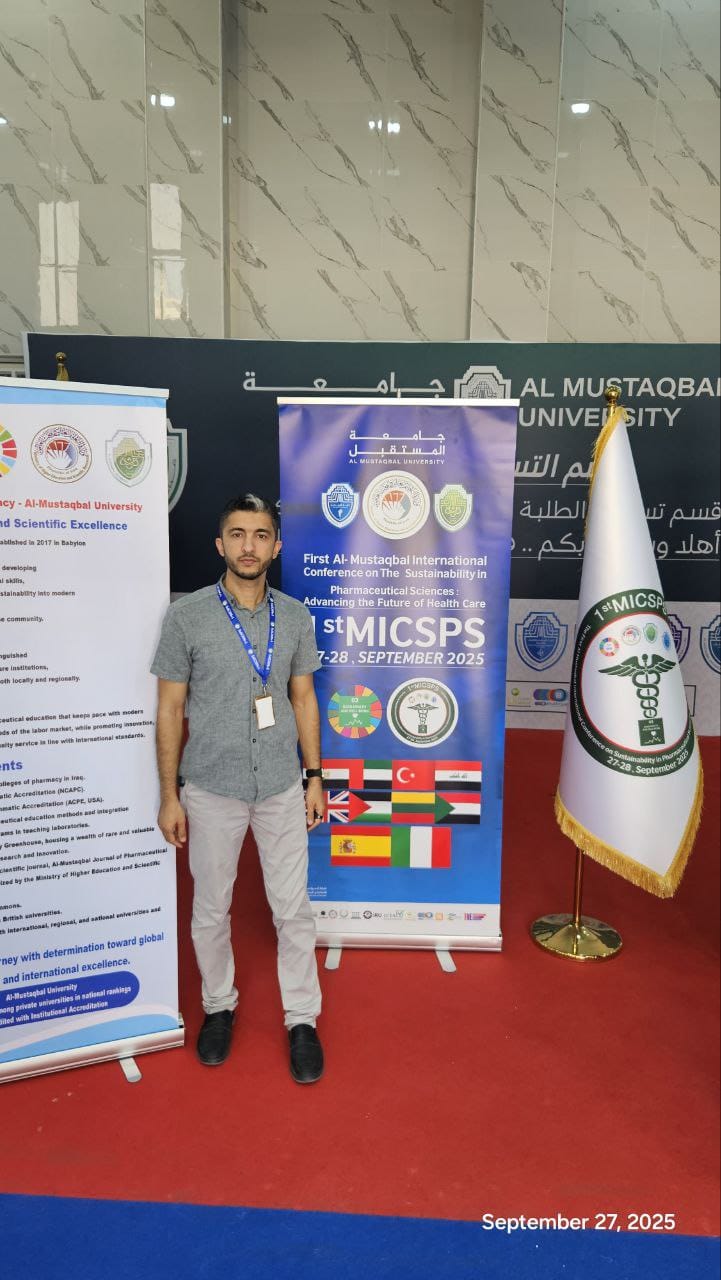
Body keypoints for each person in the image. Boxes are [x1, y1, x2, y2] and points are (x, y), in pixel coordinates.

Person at [151, 493, 325, 1082]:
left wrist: (314, 776)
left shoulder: (295, 617)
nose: (249, 546)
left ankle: (302, 1019)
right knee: (210, 908)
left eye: (260, 535)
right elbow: (169, 710)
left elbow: (304, 699)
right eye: (237, 534)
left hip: (280, 785)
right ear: (219, 544)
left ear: (276, 546)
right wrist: (169, 795)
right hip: (211, 787)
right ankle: (218, 1006)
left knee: (293, 910)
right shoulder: (187, 617)